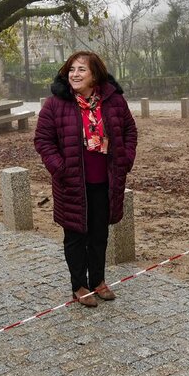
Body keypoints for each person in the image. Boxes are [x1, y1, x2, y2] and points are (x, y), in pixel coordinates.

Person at [34, 51, 137, 307]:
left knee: (99, 233)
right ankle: (79, 286)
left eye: (81, 69)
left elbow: (129, 130)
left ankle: (98, 280)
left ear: (95, 75)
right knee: (76, 235)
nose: (75, 74)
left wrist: (124, 160)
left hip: (105, 180)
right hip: (72, 182)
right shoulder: (56, 104)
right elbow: (42, 141)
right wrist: (60, 168)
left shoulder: (113, 101)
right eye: (71, 70)